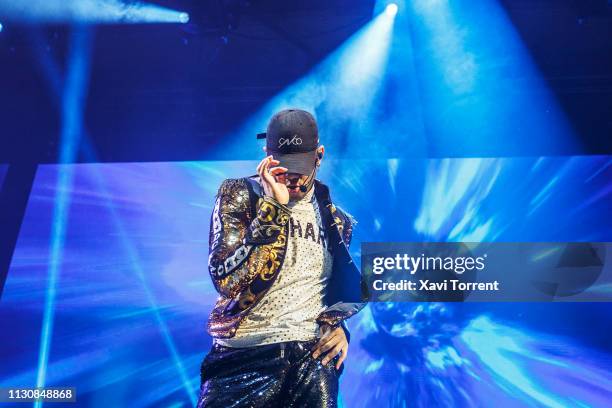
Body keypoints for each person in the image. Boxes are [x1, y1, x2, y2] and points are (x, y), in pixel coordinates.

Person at [197, 109, 365, 407]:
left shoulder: (339, 221)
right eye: (283, 165)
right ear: (267, 154)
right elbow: (225, 280)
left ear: (319, 155)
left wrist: (339, 327)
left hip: (312, 359)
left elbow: (332, 288)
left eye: (299, 165)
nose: (292, 176)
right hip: (245, 357)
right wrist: (274, 208)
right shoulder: (240, 194)